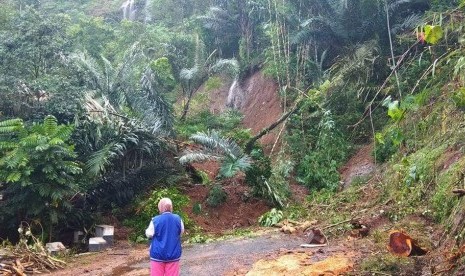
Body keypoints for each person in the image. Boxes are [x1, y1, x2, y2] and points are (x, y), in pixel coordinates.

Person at [145, 197, 184, 276]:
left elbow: (149, 234)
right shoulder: (178, 219)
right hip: (173, 255)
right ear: (171, 207)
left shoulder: (155, 220)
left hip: (157, 255)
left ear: (160, 207)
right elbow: (181, 232)